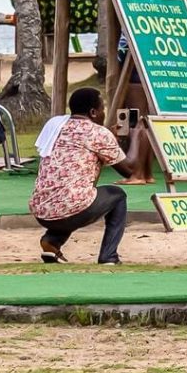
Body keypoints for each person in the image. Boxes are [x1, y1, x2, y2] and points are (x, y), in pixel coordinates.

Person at [30, 87, 135, 263]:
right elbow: (130, 171)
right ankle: (109, 256)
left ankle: (52, 242)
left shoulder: (57, 127)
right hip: (71, 209)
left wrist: (112, 141)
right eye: (103, 109)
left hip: (41, 211)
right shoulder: (98, 132)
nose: (104, 113)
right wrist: (139, 137)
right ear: (93, 112)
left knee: (70, 194)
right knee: (117, 195)